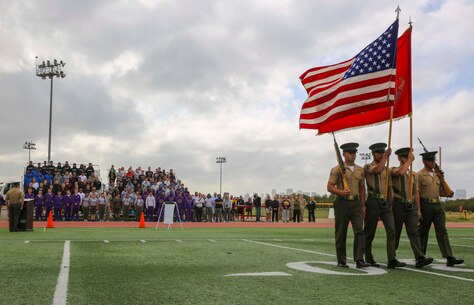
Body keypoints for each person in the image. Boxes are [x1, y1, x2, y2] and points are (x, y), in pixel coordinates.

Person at [416, 151, 463, 267]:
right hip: (425, 205)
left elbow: (440, 192)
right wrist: (418, 210)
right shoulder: (419, 175)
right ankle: (420, 257)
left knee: (442, 231)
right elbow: (416, 192)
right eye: (430, 161)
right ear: (424, 161)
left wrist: (447, 193)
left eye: (434, 160)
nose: (433, 163)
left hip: (438, 206)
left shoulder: (438, 175)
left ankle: (449, 257)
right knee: (423, 232)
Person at [327, 142, 369, 268]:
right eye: (350, 153)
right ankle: (341, 260)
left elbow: (362, 188)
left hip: (355, 203)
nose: (353, 155)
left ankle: (359, 259)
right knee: (341, 232)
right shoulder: (337, 169)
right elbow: (329, 187)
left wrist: (363, 205)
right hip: (342, 203)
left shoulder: (360, 170)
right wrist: (341, 192)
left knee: (359, 231)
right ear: (344, 154)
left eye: (354, 153)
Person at [364, 143, 405, 269]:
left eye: (383, 153)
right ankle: (369, 258)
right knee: (370, 232)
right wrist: (386, 157)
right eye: (379, 153)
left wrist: (390, 203)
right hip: (373, 201)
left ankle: (391, 259)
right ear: (373, 154)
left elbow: (389, 187)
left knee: (392, 230)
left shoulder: (387, 170)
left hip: (385, 203)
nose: (381, 155)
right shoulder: (367, 166)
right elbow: (377, 170)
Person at [391, 147, 433, 268]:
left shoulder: (413, 175)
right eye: (404, 157)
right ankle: (392, 258)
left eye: (407, 157)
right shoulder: (393, 169)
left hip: (411, 206)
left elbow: (416, 192)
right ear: (399, 158)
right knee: (396, 232)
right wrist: (409, 161)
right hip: (398, 204)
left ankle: (419, 257)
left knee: (414, 232)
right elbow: (400, 172)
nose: (406, 159)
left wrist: (418, 209)